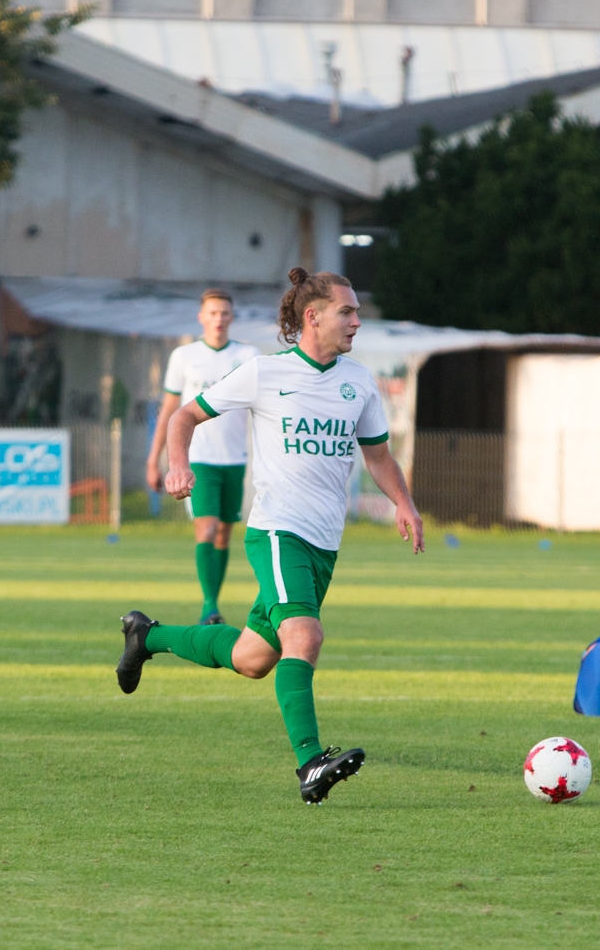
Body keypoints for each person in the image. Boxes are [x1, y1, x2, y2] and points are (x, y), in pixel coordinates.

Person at [115, 268, 424, 804]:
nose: (356, 321)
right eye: (346, 312)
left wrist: (405, 502)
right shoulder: (263, 372)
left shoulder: (358, 382)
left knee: (254, 658)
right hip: (279, 532)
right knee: (305, 637)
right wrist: (176, 465)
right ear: (313, 316)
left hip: (324, 542)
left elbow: (377, 455)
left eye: (356, 312)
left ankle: (147, 635)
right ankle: (310, 762)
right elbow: (184, 417)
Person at [144, 289, 261, 624]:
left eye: (224, 313)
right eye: (212, 313)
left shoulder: (247, 355)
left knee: (224, 532)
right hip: (199, 458)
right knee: (207, 528)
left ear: (232, 317)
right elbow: (171, 409)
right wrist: (156, 459)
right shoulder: (184, 356)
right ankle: (209, 605)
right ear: (201, 317)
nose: (218, 319)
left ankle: (214, 601)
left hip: (235, 457)